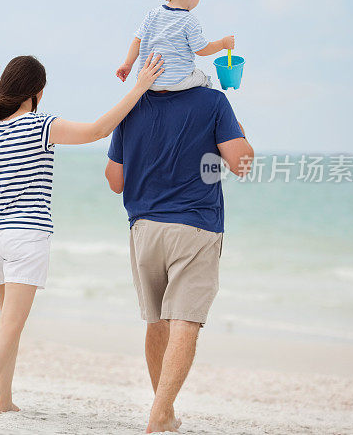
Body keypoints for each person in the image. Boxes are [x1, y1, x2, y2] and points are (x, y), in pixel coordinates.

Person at [0, 52, 164, 414]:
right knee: (12, 322)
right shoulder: (42, 126)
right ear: (35, 91)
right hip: (25, 235)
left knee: (9, 322)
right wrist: (140, 87)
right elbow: (100, 130)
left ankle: (4, 399)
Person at [105, 86, 253, 432]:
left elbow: (115, 181)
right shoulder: (213, 101)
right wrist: (237, 130)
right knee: (185, 321)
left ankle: (163, 410)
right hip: (196, 227)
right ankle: (160, 414)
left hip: (144, 228)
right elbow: (241, 164)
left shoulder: (131, 103)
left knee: (157, 321)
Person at [116, 0, 235, 91]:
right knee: (202, 77)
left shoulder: (152, 15)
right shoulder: (189, 20)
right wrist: (223, 44)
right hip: (177, 81)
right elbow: (201, 49)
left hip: (148, 82)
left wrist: (127, 64)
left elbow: (137, 40)